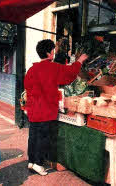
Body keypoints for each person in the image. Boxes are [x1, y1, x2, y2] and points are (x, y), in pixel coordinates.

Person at [24, 39, 88, 176]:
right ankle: (39, 164)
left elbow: (27, 87)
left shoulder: (31, 69)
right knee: (44, 137)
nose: (54, 52)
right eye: (52, 50)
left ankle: (31, 161)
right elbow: (70, 73)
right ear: (49, 53)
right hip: (46, 110)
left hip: (33, 110)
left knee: (33, 136)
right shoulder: (52, 67)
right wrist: (80, 61)